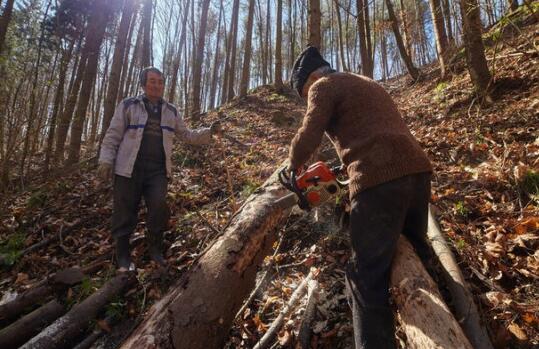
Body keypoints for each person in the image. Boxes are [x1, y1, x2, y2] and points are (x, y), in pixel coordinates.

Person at [287, 46, 433, 348]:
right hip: (418, 172)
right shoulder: (365, 81)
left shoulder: (323, 86)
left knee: (363, 277)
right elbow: (373, 130)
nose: (306, 99)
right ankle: (443, 309)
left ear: (312, 78)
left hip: (378, 180)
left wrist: (292, 166)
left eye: (303, 93)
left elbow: (309, 133)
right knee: (417, 250)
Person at [97, 67, 222, 271]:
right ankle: (122, 255)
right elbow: (113, 135)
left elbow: (187, 135)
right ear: (143, 83)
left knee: (158, 206)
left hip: (157, 171)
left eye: (160, 82)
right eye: (152, 81)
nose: (156, 85)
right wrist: (105, 160)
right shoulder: (129, 105)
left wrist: (209, 132)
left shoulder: (170, 110)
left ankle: (155, 248)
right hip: (129, 168)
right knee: (124, 210)